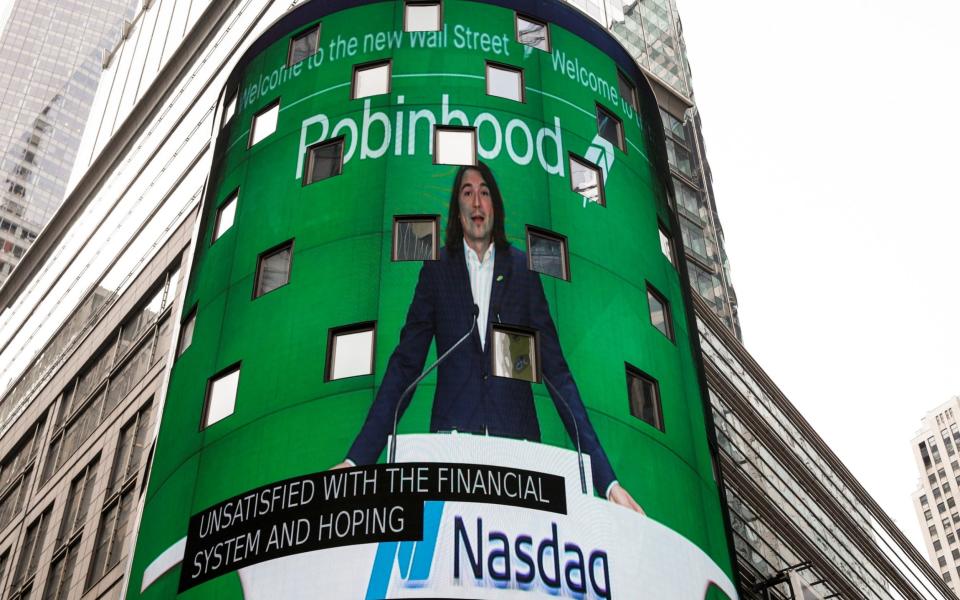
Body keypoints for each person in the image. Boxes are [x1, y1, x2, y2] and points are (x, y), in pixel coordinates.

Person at [333, 163, 642, 513]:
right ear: (457, 209)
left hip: (519, 467)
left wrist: (607, 481)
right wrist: (357, 461)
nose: (477, 202)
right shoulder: (436, 271)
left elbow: (559, 377)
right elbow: (404, 367)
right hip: (452, 461)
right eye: (467, 193)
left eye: (485, 192)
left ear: (495, 205)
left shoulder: (523, 271)